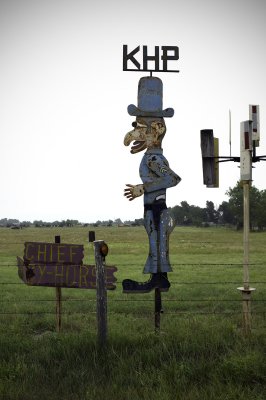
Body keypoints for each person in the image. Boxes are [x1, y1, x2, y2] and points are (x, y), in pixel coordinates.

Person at [122, 115, 181, 293]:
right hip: (154, 210)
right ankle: (158, 279)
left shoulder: (153, 159)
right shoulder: (151, 156)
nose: (135, 134)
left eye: (142, 130)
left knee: (157, 245)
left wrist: (143, 188)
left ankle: (158, 279)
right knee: (156, 244)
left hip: (157, 211)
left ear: (155, 132)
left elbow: (172, 178)